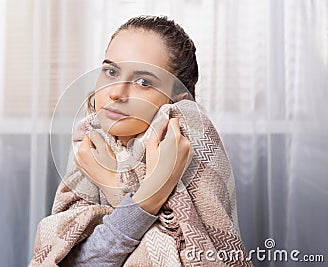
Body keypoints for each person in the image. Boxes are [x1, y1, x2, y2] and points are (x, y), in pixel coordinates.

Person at [30, 15, 252, 267]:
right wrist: (140, 195)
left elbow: (182, 255)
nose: (115, 92)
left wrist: (114, 186)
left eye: (144, 82)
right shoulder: (91, 143)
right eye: (110, 71)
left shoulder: (190, 141)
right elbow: (75, 262)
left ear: (178, 99)